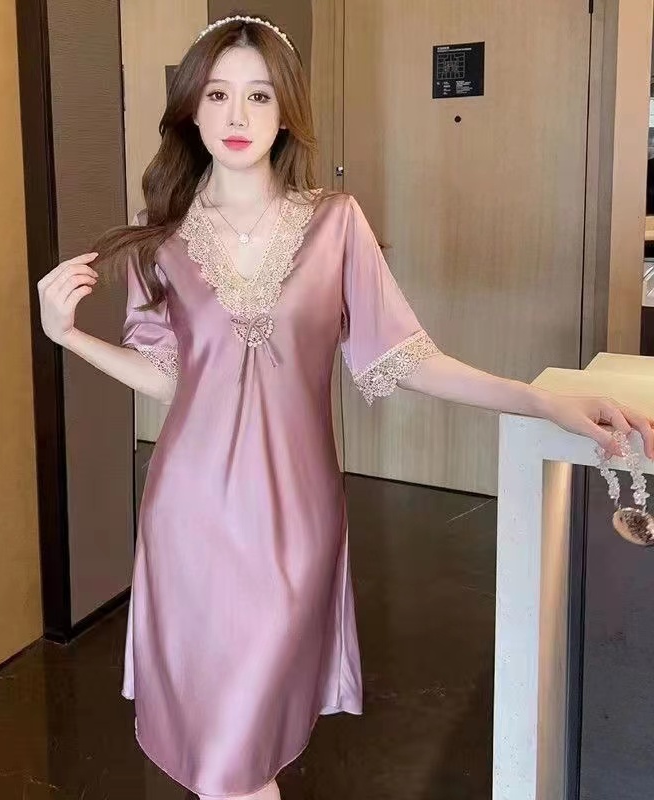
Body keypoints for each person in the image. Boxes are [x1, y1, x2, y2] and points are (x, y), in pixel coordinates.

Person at [37, 15, 654, 800]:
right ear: (190, 108)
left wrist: (539, 401)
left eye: (259, 95)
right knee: (225, 756)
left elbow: (408, 357)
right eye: (217, 95)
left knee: (244, 741)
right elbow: (167, 379)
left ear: (286, 111)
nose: (236, 115)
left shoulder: (334, 224)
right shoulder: (162, 244)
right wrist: (69, 337)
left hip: (295, 521)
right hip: (187, 516)